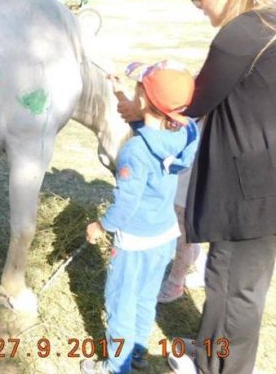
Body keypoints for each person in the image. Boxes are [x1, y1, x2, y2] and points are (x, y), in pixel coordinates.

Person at [118, 0, 276, 374]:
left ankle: (217, 368)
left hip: (249, 185)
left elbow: (194, 101)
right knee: (248, 286)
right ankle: (214, 352)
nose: (201, 9)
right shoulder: (271, 23)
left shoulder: (240, 33)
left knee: (229, 286)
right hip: (268, 179)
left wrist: (143, 106)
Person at [81, 61, 200, 374]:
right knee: (146, 298)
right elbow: (152, 133)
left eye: (138, 91)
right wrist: (123, 94)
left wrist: (101, 225)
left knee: (121, 302)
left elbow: (126, 204)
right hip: (163, 236)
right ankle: (138, 353)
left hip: (133, 242)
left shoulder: (135, 151)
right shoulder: (186, 133)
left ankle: (116, 366)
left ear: (145, 100)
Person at [157, 136, 207, 304]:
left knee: (182, 233)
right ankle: (198, 262)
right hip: (186, 167)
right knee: (183, 231)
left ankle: (175, 282)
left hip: (190, 176)